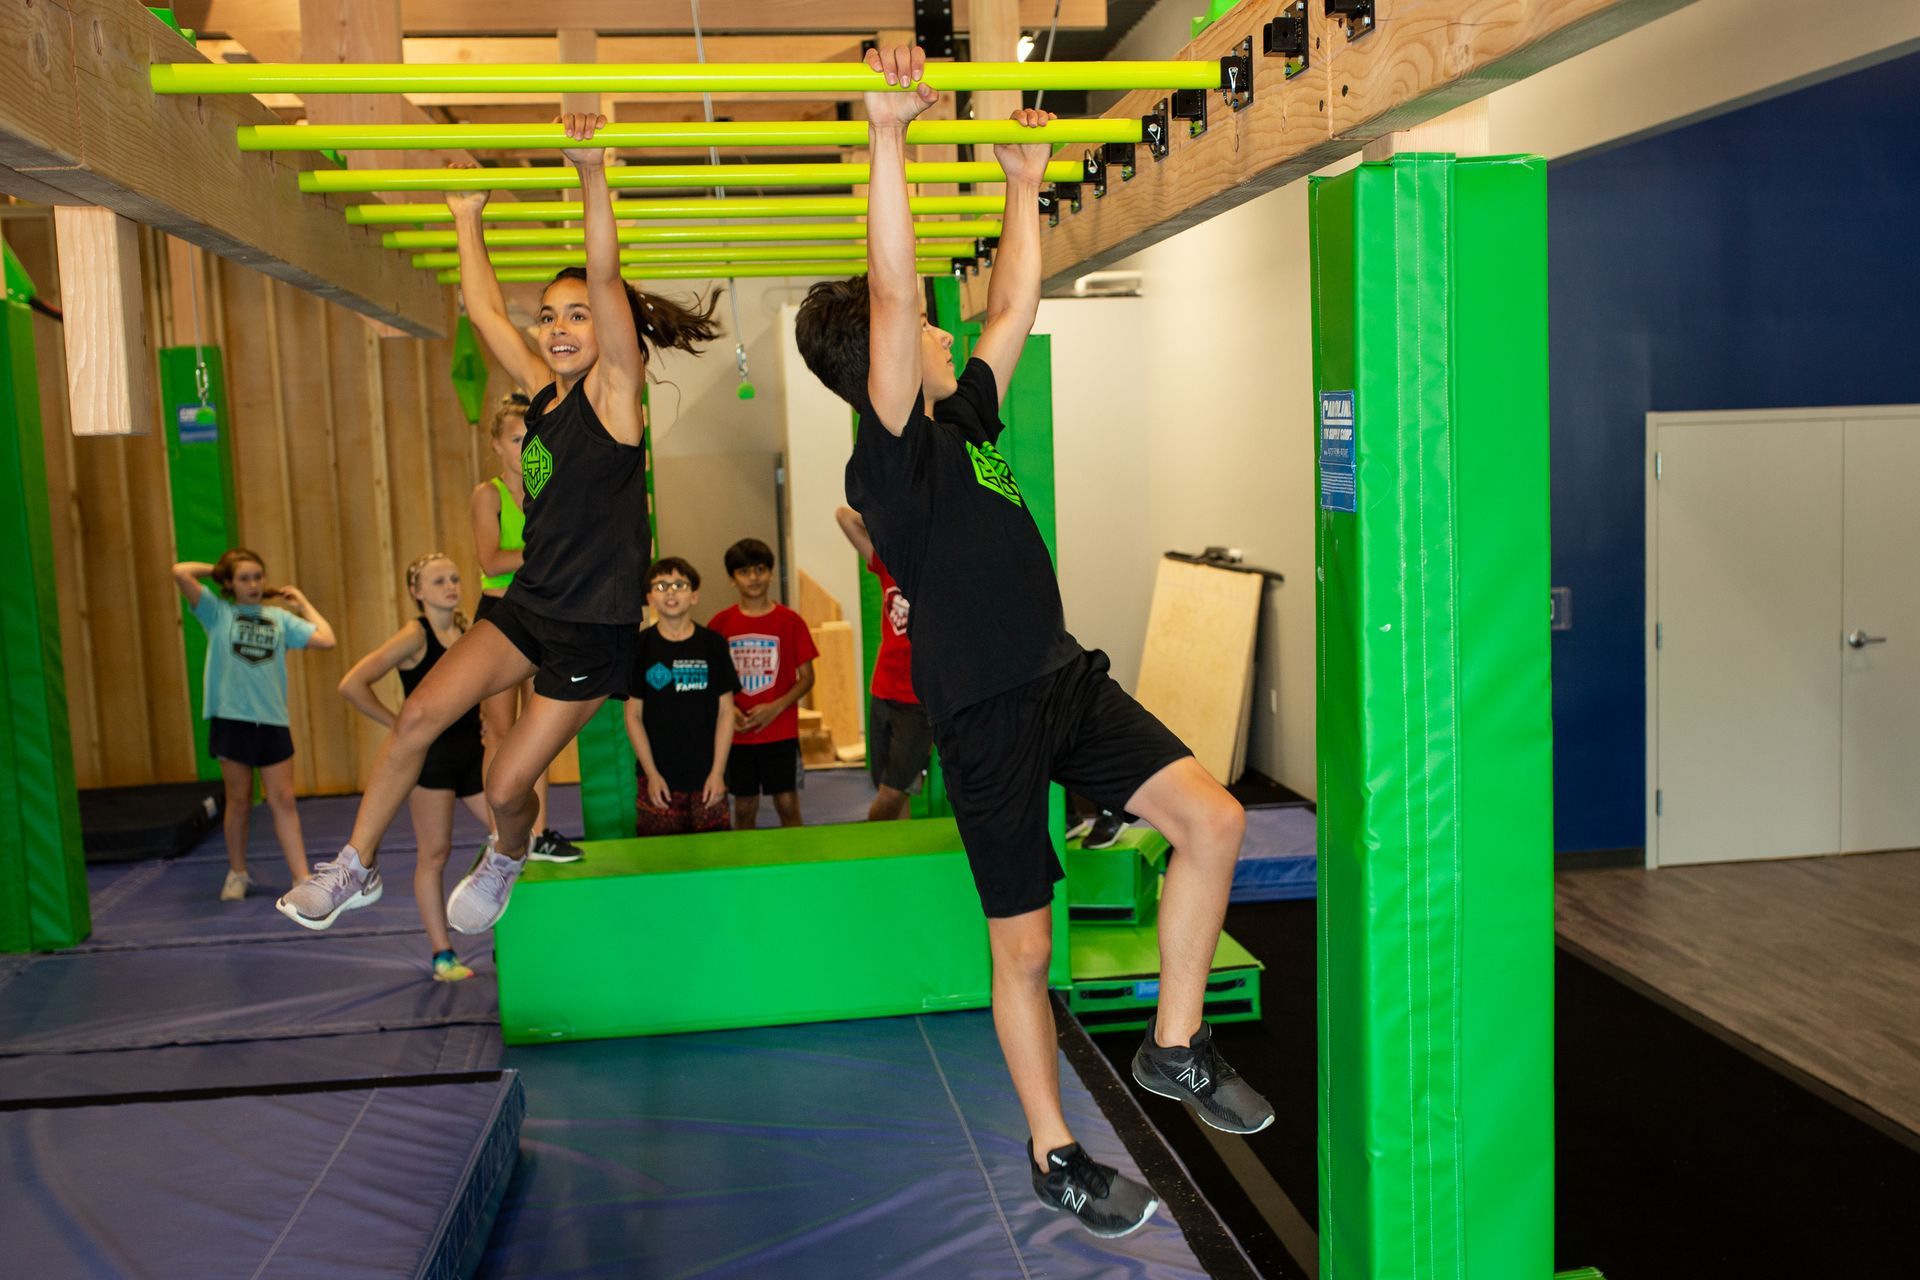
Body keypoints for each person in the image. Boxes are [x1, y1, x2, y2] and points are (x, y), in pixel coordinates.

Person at [793, 45, 1271, 1239]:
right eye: (924, 332)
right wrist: (890, 139)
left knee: (1215, 817)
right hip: (987, 720)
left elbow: (1012, 303)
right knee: (1024, 951)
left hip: (1063, 676)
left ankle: (1175, 1046)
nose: (957, 332)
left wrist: (1020, 180)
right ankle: (1054, 1148)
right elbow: (900, 301)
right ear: (882, 366)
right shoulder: (888, 449)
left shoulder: (968, 413)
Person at [276, 113, 721, 934]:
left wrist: (591, 175)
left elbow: (606, 272)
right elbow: (483, 313)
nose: (558, 327)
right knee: (416, 717)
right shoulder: (543, 393)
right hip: (528, 603)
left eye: (577, 315)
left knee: (512, 787)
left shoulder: (618, 396)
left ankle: (509, 854)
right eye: (549, 315)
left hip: (592, 632)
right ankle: (354, 868)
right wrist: (465, 214)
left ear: (608, 326)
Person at [334, 552, 491, 979]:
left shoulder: (466, 630)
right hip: (431, 760)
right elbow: (352, 684)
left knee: (509, 835)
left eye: (455, 579)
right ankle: (443, 953)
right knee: (435, 853)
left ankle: (501, 924)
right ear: (416, 592)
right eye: (439, 581)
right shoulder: (414, 635)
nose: (451, 587)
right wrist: (399, 725)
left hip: (470, 753)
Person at [171, 550, 336, 901]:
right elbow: (181, 571)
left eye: (258, 576)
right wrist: (217, 571)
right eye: (244, 578)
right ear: (229, 583)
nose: (254, 584)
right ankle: (238, 873)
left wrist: (302, 603)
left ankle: (301, 876)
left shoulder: (279, 618)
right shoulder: (218, 613)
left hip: (272, 719)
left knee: (283, 800)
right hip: (232, 719)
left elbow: (326, 638)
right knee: (239, 801)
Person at [471, 391, 583, 864]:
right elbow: (490, 560)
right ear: (496, 444)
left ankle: (536, 833)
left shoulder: (550, 491)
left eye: (531, 438)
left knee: (539, 732)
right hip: (500, 616)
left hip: (544, 613)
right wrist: (545, 553)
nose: (523, 446)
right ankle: (504, 834)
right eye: (515, 438)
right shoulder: (488, 494)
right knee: (499, 732)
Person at [708, 537, 817, 829]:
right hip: (738, 734)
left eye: (759, 569)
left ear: (770, 572)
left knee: (787, 803)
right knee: (743, 807)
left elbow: (807, 678)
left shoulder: (790, 621)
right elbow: (714, 682)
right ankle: (748, 869)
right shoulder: (719, 625)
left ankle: (798, 866)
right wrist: (731, 712)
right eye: (744, 571)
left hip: (780, 732)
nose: (753, 578)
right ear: (732, 579)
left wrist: (776, 707)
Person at [624, 556, 737, 836]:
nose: (671, 592)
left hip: (707, 777)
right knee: (660, 860)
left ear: (694, 596)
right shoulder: (639, 647)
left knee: (715, 856)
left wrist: (718, 773)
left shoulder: (713, 644)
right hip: (659, 779)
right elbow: (633, 715)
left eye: (679, 585)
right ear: (650, 597)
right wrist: (651, 774)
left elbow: (726, 712)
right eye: (661, 586)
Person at [835, 505, 930, 821]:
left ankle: (867, 841)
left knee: (890, 794)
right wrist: (893, 518)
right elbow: (843, 516)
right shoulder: (887, 564)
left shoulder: (941, 572)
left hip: (919, 700)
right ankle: (898, 858)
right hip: (883, 690)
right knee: (889, 787)